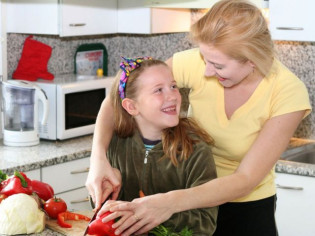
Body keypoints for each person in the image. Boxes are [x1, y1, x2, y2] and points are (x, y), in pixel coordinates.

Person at [85, 0, 312, 235]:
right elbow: (122, 91)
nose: (207, 71)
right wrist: (98, 160)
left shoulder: (287, 92)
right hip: (188, 203)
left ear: (251, 60)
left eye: (218, 66)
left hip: (244, 208)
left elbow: (245, 178)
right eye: (205, 59)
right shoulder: (200, 61)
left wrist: (167, 202)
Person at [95, 57, 218, 235]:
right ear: (131, 106)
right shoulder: (115, 144)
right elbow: (101, 214)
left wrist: (155, 215)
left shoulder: (195, 150)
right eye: (158, 90)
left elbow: (206, 222)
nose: (173, 96)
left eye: (173, 86)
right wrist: (106, 192)